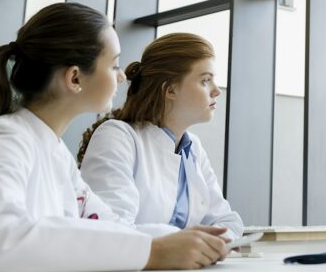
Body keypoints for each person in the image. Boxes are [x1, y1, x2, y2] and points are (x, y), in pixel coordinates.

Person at [0, 3, 229, 272]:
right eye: (114, 64)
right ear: (75, 78)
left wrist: (184, 242)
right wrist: (152, 250)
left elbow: (110, 226)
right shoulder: (0, 140)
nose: (121, 77)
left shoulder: (53, 153)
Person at [78, 33, 242, 239]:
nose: (216, 90)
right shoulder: (118, 136)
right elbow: (109, 229)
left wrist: (208, 243)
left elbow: (227, 220)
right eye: (205, 80)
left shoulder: (193, 147)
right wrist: (184, 241)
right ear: (170, 89)